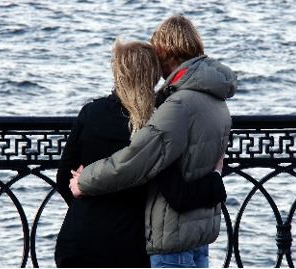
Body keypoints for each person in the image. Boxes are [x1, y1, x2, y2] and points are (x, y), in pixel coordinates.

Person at [70, 15, 237, 268]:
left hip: (172, 238)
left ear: (165, 51)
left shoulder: (178, 105)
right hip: (198, 234)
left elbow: (136, 160)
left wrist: (84, 180)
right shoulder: (215, 98)